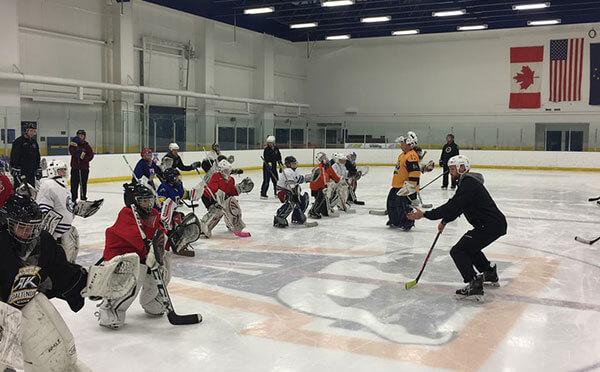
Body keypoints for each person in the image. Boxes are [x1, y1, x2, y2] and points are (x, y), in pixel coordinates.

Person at [0, 193, 139, 371]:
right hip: (3, 311)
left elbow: (60, 272)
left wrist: (89, 282)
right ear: (7, 222)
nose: (29, 233)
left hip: (24, 306)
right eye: (23, 227)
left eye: (33, 227)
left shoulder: (43, 242)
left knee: (54, 355)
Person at [407, 154, 507, 300]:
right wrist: (445, 220)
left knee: (458, 251)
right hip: (491, 225)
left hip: (490, 226)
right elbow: (458, 207)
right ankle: (489, 272)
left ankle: (474, 284)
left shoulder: (469, 184)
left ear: (462, 168)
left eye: (453, 169)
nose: (450, 172)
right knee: (469, 247)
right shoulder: (467, 184)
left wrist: (425, 215)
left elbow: (453, 206)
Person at [96, 182, 171, 329]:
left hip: (142, 258)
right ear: (133, 202)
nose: (148, 204)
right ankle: (110, 307)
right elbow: (136, 242)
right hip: (120, 263)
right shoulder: (126, 215)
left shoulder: (152, 216)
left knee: (164, 259)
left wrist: (168, 243)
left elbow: (161, 236)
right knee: (138, 266)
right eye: (144, 201)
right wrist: (149, 252)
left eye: (149, 200)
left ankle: (150, 300)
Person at [36, 159, 103, 263]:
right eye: (61, 170)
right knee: (56, 262)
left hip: (65, 231)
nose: (64, 172)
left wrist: (80, 208)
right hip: (55, 234)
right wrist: (49, 234)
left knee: (68, 261)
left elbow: (66, 206)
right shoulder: (48, 185)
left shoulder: (62, 185)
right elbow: (43, 209)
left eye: (64, 170)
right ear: (52, 171)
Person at [156, 168, 203, 257]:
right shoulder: (163, 187)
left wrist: (193, 193)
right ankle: (175, 244)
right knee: (174, 222)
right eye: (176, 178)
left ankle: (179, 242)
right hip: (160, 214)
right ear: (171, 178)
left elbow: (181, 194)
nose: (178, 179)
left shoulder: (175, 186)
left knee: (180, 218)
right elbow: (161, 203)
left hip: (170, 211)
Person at [200, 159, 253, 238]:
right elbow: (213, 189)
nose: (228, 172)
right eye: (226, 170)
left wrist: (241, 188)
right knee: (217, 211)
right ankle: (204, 228)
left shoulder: (231, 180)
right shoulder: (216, 176)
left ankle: (234, 225)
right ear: (221, 170)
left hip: (221, 197)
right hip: (208, 197)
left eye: (229, 170)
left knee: (234, 206)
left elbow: (231, 191)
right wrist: (217, 200)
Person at [387, 131, 421, 230]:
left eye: (403, 143)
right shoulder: (402, 155)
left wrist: (410, 187)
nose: (401, 145)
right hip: (397, 185)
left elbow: (414, 172)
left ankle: (407, 222)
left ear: (410, 144)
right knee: (391, 203)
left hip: (405, 187)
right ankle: (395, 220)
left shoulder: (411, 156)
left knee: (403, 206)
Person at [273, 156, 312, 228]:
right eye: (292, 163)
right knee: (291, 201)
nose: (294, 165)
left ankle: (296, 217)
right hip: (282, 192)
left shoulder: (295, 171)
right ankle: (280, 217)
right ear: (288, 164)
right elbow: (290, 186)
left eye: (295, 163)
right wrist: (294, 195)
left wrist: (310, 177)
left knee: (304, 198)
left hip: (292, 191)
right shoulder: (287, 172)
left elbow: (299, 179)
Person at [308, 152, 340, 219]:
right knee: (320, 197)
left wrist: (339, 180)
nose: (326, 158)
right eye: (323, 157)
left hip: (323, 187)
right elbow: (323, 178)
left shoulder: (328, 166)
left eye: (325, 157)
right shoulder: (319, 167)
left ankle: (323, 209)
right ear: (320, 160)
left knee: (325, 211)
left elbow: (334, 175)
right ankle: (313, 212)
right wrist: (326, 185)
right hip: (317, 188)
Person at [10, 123, 41, 190]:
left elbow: (37, 156)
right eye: (31, 131)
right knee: (20, 190)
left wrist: (38, 167)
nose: (33, 133)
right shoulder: (18, 142)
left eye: (34, 131)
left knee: (32, 190)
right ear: (25, 131)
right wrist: (15, 167)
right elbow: (14, 156)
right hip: (21, 172)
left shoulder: (34, 142)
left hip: (31, 172)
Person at [68, 129, 94, 202]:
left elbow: (90, 156)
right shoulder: (74, 145)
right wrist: (74, 145)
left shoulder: (86, 146)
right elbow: (72, 151)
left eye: (82, 136)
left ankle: (83, 198)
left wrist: (83, 156)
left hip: (84, 168)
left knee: (83, 185)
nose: (80, 137)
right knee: (74, 185)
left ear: (84, 137)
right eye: (79, 136)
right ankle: (73, 199)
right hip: (75, 168)